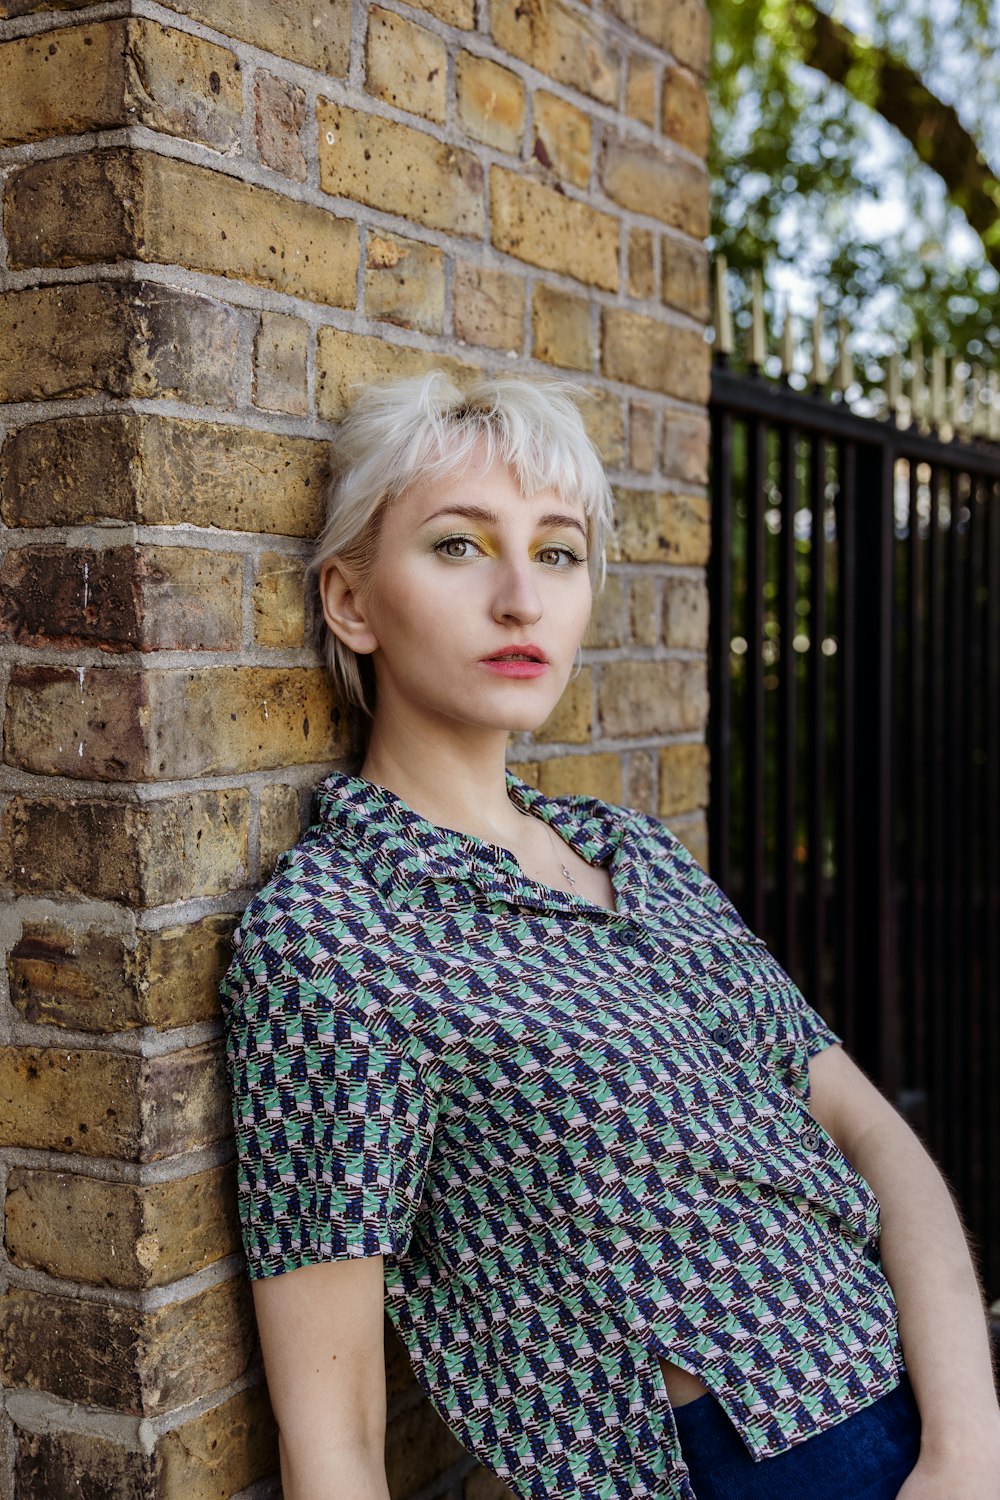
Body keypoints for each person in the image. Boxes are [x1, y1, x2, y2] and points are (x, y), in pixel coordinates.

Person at [219, 371, 1000, 1500]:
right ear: (349, 602)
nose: (520, 601)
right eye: (457, 546)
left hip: (930, 1423)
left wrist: (966, 1445)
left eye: (556, 552)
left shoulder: (635, 858)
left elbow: (873, 1138)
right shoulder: (336, 934)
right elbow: (333, 1432)